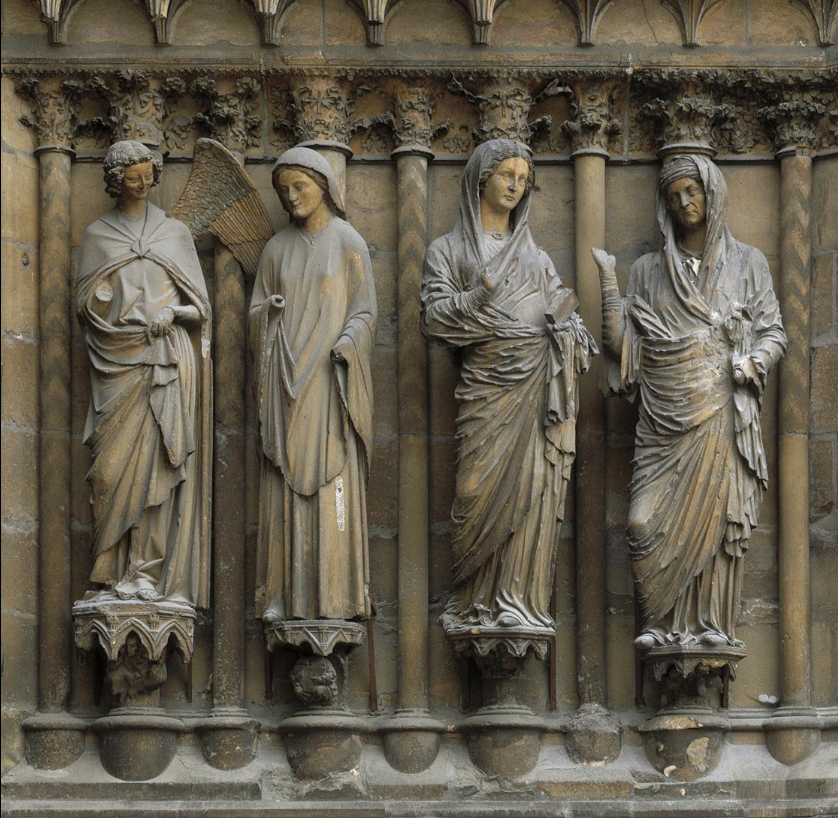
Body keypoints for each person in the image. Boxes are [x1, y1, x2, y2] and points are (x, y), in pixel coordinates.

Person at [592, 153, 787, 649]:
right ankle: (663, 622)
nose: (684, 202)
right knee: (640, 523)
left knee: (718, 530)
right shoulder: (647, 272)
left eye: (692, 191)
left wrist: (754, 361)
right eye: (674, 195)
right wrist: (609, 283)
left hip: (720, 414)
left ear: (713, 193)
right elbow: (622, 348)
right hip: (661, 420)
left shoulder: (748, 263)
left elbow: (773, 332)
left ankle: (708, 630)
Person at [422, 139, 595, 633]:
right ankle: (476, 600)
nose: (516, 185)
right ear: (481, 179)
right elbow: (433, 320)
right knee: (474, 491)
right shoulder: (448, 250)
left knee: (533, 495)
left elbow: (565, 312)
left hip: (536, 388)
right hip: (486, 392)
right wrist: (476, 298)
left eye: (524, 178)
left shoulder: (535, 256)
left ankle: (518, 600)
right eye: (506, 175)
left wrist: (570, 333)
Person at [77, 140, 212, 606]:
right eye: (131, 177)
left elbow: (200, 309)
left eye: (146, 174)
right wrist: (100, 302)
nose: (141, 183)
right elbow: (85, 307)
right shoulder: (98, 236)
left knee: (157, 469)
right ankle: (112, 570)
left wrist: (173, 313)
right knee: (110, 472)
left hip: (164, 365)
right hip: (116, 366)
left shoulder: (174, 233)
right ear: (115, 181)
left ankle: (147, 572)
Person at [251, 147, 376, 626]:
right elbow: (255, 311)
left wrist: (349, 342)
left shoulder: (349, 242)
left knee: (333, 483)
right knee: (283, 485)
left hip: (330, 382)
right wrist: (268, 313)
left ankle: (338, 593)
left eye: (299, 186)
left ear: (323, 186)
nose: (291, 197)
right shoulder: (275, 249)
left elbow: (366, 310)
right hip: (286, 384)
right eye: (284, 191)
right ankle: (282, 592)